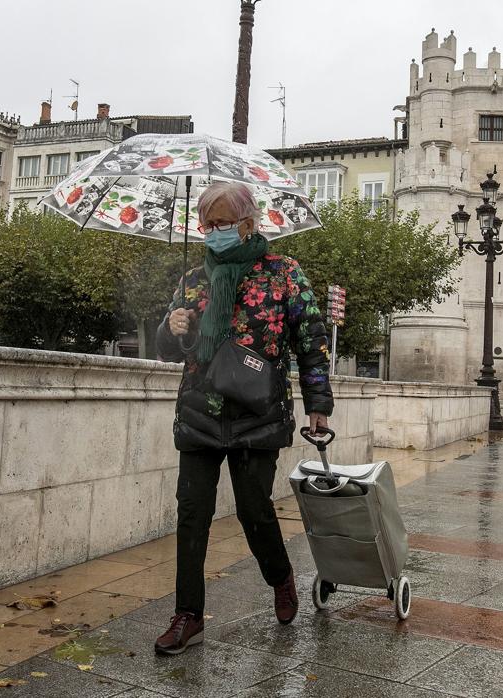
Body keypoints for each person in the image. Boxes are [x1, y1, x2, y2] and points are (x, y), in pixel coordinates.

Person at [153, 181, 333, 655]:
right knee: (193, 515)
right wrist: (171, 328)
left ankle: (281, 577)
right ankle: (188, 615)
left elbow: (312, 343)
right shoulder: (194, 279)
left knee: (255, 510)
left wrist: (318, 404)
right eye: (207, 224)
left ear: (248, 223)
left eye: (222, 223)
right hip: (199, 411)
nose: (213, 232)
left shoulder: (284, 273)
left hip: (258, 414)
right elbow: (170, 350)